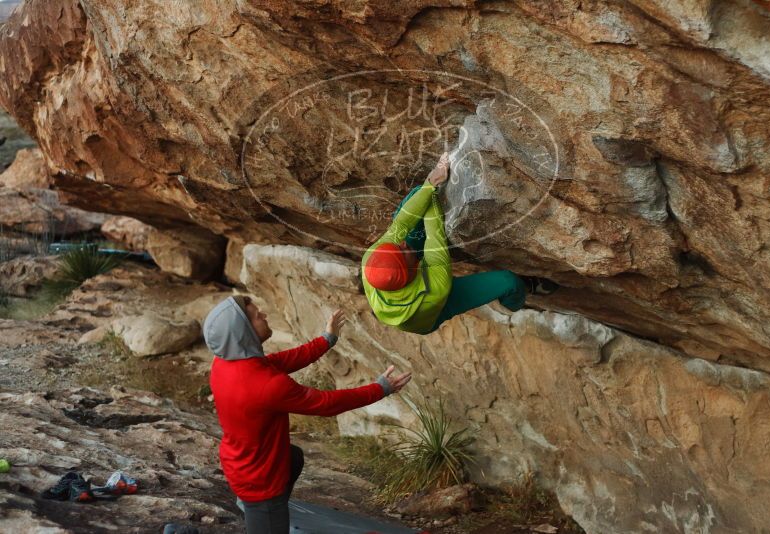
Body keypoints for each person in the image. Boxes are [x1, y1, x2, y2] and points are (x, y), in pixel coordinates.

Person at [203, 295, 411, 534]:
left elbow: (283, 360)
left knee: (293, 458)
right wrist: (380, 389)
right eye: (258, 316)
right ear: (245, 333)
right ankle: (263, 515)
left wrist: (327, 339)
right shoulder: (267, 385)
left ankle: (260, 514)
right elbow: (325, 403)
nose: (264, 315)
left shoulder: (224, 363)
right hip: (261, 483)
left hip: (241, 462)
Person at [361, 152, 556, 335]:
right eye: (403, 251)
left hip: (405, 289)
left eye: (397, 246)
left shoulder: (372, 259)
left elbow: (402, 223)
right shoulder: (436, 288)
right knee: (509, 282)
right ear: (412, 271)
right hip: (431, 312)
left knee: (417, 196)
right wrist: (433, 192)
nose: (402, 243)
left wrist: (430, 183)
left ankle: (424, 199)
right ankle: (512, 302)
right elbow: (434, 233)